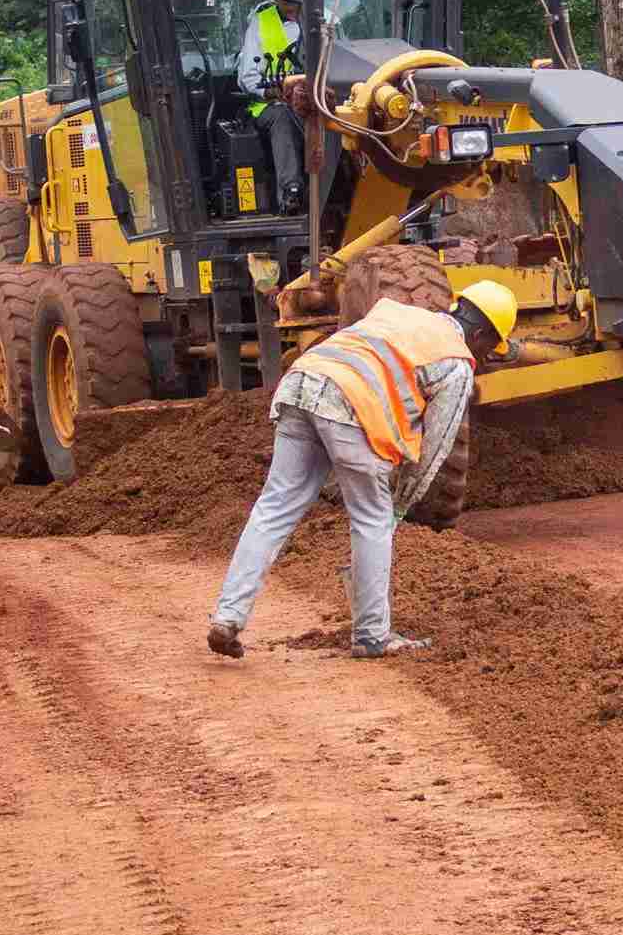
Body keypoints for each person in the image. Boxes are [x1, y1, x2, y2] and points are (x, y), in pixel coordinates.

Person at [206, 276, 519, 659]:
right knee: (373, 519)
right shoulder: (456, 363)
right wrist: (399, 507)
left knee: (273, 509)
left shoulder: (399, 314)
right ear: (482, 335)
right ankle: (372, 635)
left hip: (301, 384)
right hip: (348, 405)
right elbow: (434, 450)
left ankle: (227, 616)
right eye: (490, 349)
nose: (485, 357)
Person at [236, 0, 311, 211]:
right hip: (271, 105)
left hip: (317, 101)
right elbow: (247, 77)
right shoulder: (261, 22)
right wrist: (274, 92)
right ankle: (291, 192)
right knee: (282, 116)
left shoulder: (324, 20)